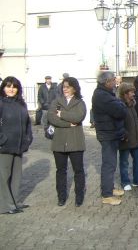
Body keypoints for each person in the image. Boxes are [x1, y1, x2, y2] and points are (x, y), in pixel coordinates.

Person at [47, 77, 87, 207]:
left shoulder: (80, 102)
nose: (65, 89)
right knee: (60, 171)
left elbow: (79, 117)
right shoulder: (56, 101)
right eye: (64, 86)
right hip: (59, 141)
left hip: (76, 141)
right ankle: (61, 197)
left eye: (68, 87)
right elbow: (51, 118)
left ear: (74, 88)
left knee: (78, 170)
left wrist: (61, 114)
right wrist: (68, 124)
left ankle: (79, 196)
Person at [92, 71, 127, 206]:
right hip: (108, 134)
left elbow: (119, 107)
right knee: (109, 164)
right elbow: (120, 111)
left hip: (111, 132)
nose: (115, 82)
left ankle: (110, 187)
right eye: (113, 80)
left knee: (111, 163)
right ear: (106, 82)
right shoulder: (102, 95)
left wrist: (120, 104)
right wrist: (121, 104)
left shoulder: (105, 93)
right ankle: (106, 194)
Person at [0, 76, 33, 214]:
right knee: (3, 176)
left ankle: (14, 201)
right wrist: (2, 139)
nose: (11, 89)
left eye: (14, 87)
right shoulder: (1, 103)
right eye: (8, 86)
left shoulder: (21, 104)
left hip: (19, 145)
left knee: (16, 176)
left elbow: (27, 124)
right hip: (4, 146)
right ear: (3, 88)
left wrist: (28, 138)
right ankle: (4, 206)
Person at [118, 83, 138, 190]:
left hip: (136, 138)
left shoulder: (132, 104)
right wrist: (124, 134)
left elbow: (136, 120)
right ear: (125, 94)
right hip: (125, 139)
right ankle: (125, 182)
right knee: (124, 162)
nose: (133, 94)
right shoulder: (120, 105)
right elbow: (119, 123)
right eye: (131, 92)